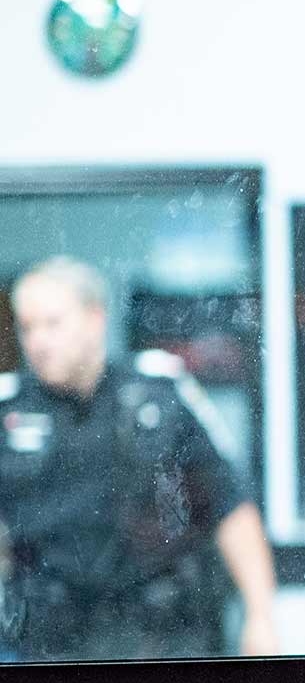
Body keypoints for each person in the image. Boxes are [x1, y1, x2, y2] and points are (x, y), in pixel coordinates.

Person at [0, 256, 279, 660]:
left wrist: (261, 617)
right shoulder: (9, 409)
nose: (38, 341)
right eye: (27, 327)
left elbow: (230, 507)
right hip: (50, 645)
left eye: (52, 323)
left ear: (95, 319)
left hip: (162, 638)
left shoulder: (161, 392)